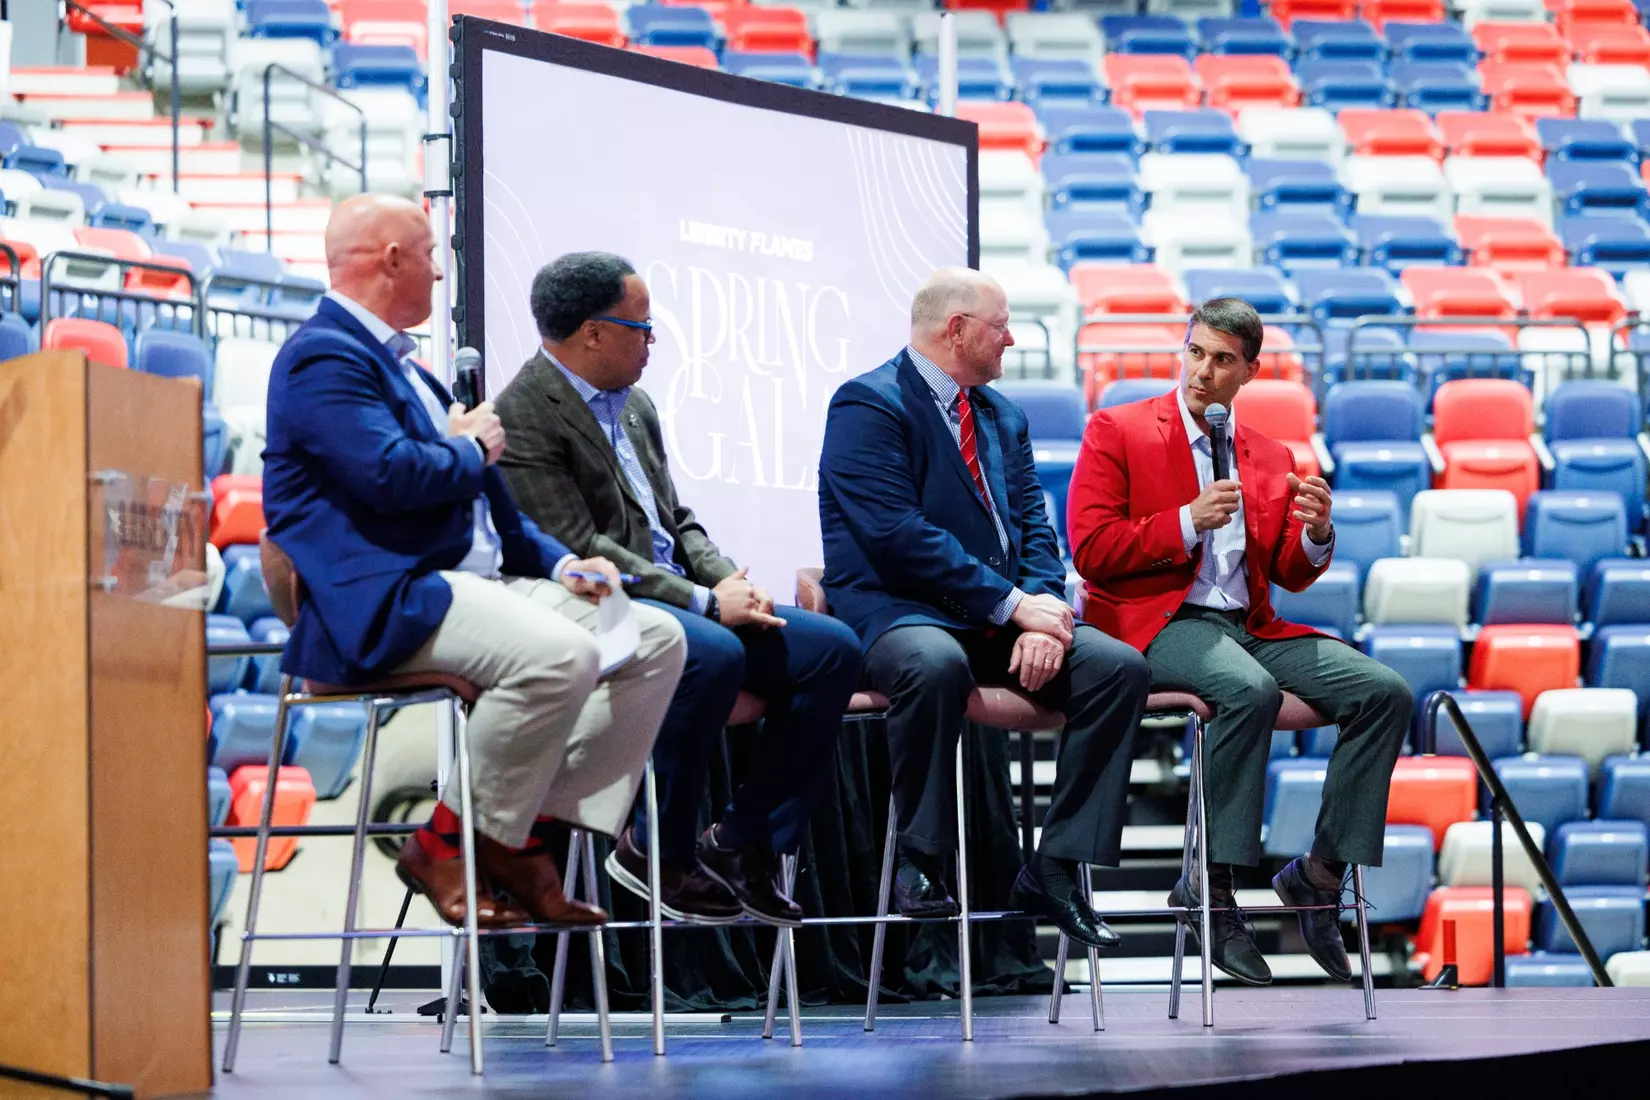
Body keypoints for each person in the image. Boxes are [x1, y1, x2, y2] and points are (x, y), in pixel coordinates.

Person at [262, 195, 687, 931]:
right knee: (561, 653)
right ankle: (449, 845)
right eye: (430, 255)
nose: (437, 271)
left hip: (481, 581)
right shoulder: (321, 357)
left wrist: (561, 567)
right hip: (391, 593)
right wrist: (467, 447)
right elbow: (390, 478)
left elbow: (498, 512)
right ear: (390, 258)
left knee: (654, 639)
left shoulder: (407, 369)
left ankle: (516, 837)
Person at [494, 252, 862, 928]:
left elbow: (675, 520)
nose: (652, 341)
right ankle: (652, 847)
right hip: (595, 610)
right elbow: (581, 548)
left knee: (833, 648)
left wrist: (721, 576)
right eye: (641, 326)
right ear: (592, 333)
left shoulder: (635, 406)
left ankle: (742, 840)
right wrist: (699, 602)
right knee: (715, 651)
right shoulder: (520, 414)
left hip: (686, 603)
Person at [1065, 296, 1412, 985]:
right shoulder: (1118, 429)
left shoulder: (1270, 453)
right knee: (1246, 691)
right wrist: (1185, 521)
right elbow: (1092, 548)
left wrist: (1316, 535)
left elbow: (1287, 570)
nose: (1203, 372)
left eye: (1224, 360)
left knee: (1385, 692)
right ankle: (1212, 889)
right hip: (1152, 622)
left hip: (1248, 626)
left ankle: (1317, 874)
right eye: (1196, 353)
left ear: (1249, 372)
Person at [817, 267, 1149, 951]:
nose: (1012, 340)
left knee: (1119, 669)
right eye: (1001, 326)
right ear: (958, 329)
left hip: (998, 615)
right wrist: (1013, 606)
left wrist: (1048, 613)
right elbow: (898, 537)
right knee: (934, 665)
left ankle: (1055, 866)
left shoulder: (1002, 414)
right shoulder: (867, 404)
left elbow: (1034, 525)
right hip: (900, 612)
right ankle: (922, 860)